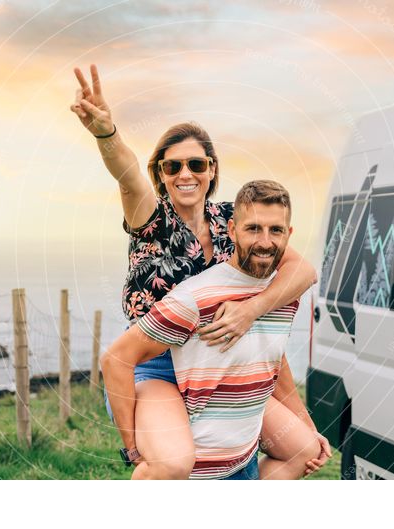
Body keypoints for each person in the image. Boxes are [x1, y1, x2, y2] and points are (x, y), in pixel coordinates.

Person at [70, 64, 331, 479]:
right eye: (172, 167)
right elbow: (127, 176)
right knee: (174, 464)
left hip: (219, 365)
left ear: (211, 169)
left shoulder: (234, 220)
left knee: (302, 451)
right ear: (160, 174)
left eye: (195, 164)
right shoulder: (150, 218)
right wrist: (106, 133)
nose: (185, 174)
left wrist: (252, 309)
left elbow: (302, 271)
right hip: (158, 369)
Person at [102, 180, 325, 479]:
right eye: (253, 229)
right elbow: (116, 359)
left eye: (276, 230)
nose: (265, 241)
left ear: (289, 235)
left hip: (240, 460)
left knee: (304, 450)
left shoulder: (285, 294)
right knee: (170, 464)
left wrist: (305, 426)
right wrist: (133, 449)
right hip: (194, 472)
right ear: (232, 230)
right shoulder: (194, 297)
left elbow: (271, 362)